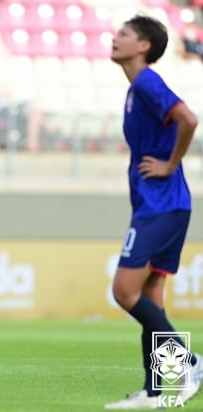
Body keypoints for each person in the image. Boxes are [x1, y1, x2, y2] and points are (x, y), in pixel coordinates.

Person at [103, 15, 202, 410]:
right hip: (164, 205)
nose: (115, 38)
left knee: (123, 292)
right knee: (150, 296)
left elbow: (189, 119)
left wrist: (169, 163)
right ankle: (155, 392)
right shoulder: (135, 89)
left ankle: (190, 363)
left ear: (143, 45)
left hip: (161, 207)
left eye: (124, 34)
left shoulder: (146, 82)